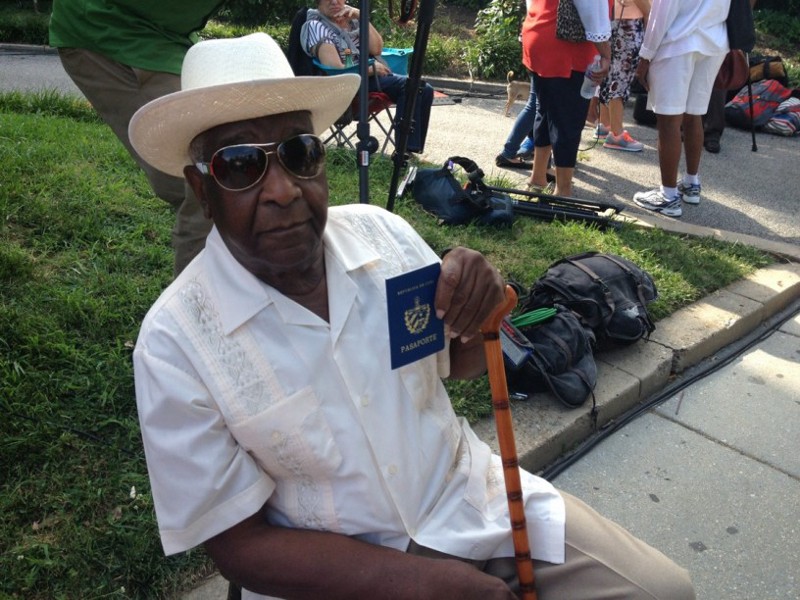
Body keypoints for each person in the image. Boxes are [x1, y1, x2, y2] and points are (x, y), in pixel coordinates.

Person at [130, 32, 695, 600]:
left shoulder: (384, 236)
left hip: (471, 504)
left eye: (300, 153)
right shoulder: (175, 344)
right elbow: (239, 547)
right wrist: (419, 583)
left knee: (663, 592)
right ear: (201, 189)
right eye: (239, 165)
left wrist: (481, 303)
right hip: (333, 577)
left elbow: (462, 361)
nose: (282, 190)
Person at [48, 0, 223, 276]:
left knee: (219, 182)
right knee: (213, 182)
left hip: (166, 38)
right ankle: (199, 301)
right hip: (108, 27)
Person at [632, 0, 730, 217]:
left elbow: (662, 13)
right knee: (694, 114)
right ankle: (691, 182)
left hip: (678, 42)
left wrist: (645, 56)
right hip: (714, 42)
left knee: (669, 121)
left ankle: (668, 196)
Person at [300, 0, 435, 154]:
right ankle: (403, 152)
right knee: (411, 87)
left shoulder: (352, 20)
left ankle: (410, 149)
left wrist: (361, 16)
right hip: (347, 85)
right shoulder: (316, 26)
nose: (334, 2)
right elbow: (336, 71)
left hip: (367, 77)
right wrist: (369, 69)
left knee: (424, 88)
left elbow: (377, 49)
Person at [521, 0, 613, 197]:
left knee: (545, 112)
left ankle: (537, 179)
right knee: (567, 122)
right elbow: (591, 9)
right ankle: (563, 191)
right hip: (565, 49)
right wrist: (606, 54)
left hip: (538, 35)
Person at [596, 0, 651, 152]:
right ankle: (617, 135)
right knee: (621, 78)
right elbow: (647, 10)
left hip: (614, 19)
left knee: (610, 75)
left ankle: (605, 125)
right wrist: (650, 41)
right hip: (629, 24)